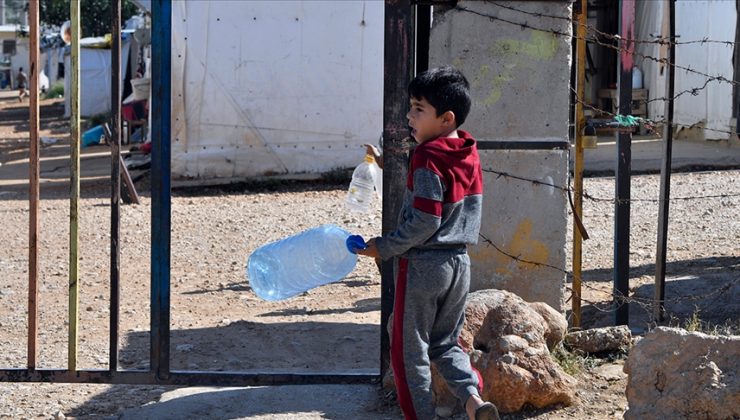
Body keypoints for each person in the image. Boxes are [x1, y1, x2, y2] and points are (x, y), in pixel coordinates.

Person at [355, 66, 499, 420]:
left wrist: (384, 246)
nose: (409, 116)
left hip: (423, 266)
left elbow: (426, 219)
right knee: (446, 344)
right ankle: (473, 402)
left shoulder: (426, 156)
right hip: (459, 264)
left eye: (419, 109)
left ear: (446, 118)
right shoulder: (467, 151)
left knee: (409, 354)